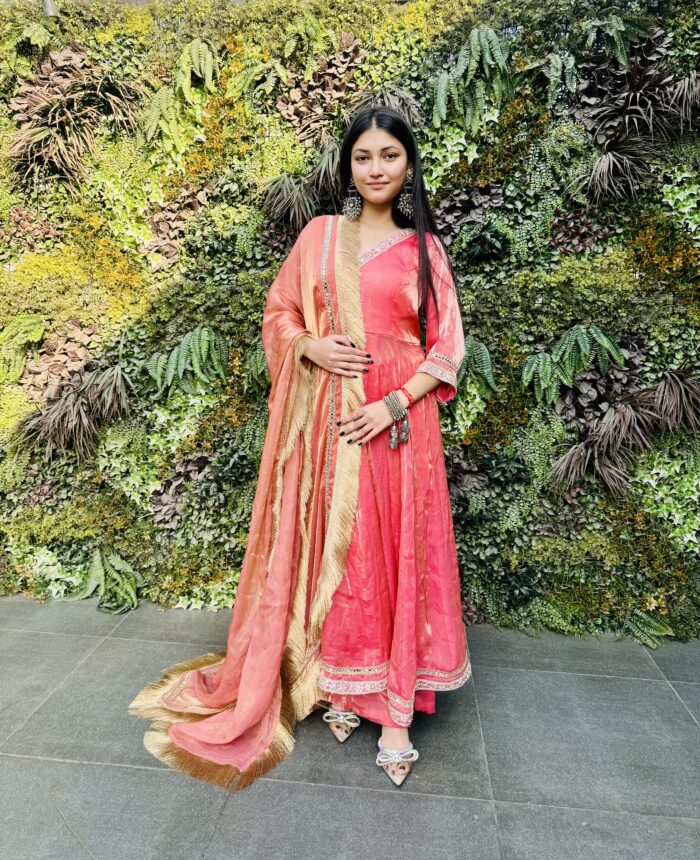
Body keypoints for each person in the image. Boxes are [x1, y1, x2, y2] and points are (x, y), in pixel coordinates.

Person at [128, 105, 471, 791]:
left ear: (408, 167)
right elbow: (278, 312)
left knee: (394, 550)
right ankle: (342, 684)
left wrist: (392, 403)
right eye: (364, 157)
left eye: (390, 157)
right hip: (324, 422)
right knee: (339, 554)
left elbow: (447, 348)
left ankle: (394, 708)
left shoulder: (424, 248)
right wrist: (308, 344)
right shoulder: (319, 237)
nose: (376, 168)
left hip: (397, 425)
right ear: (348, 166)